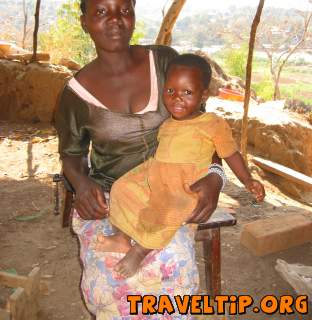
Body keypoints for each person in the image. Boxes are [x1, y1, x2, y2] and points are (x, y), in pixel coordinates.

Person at [55, 0, 231, 320]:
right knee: (107, 288)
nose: (115, 20)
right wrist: (83, 184)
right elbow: (71, 156)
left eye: (124, 10)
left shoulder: (165, 62)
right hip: (110, 200)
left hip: (172, 194)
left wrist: (214, 177)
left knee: (171, 273)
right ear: (85, 21)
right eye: (102, 12)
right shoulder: (75, 93)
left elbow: (205, 130)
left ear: (134, 15)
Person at [96, 54, 265, 278]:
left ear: (204, 94)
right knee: (122, 188)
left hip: (186, 184)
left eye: (187, 92)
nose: (177, 98)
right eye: (171, 91)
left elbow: (230, 153)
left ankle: (140, 250)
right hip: (156, 174)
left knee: (171, 209)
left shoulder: (212, 123)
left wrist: (247, 179)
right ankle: (122, 236)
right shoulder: (166, 123)